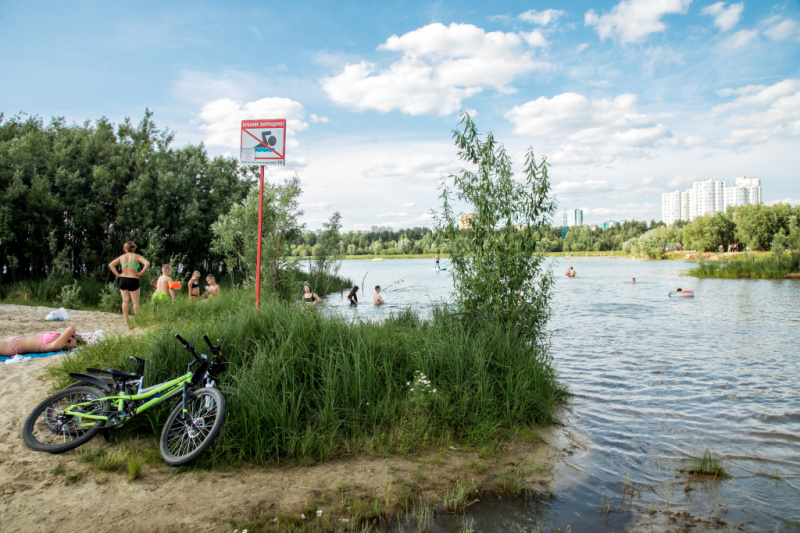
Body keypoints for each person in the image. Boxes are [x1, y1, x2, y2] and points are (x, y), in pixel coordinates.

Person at [109, 242, 150, 322]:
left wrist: (117, 274)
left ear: (125, 249)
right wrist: (141, 273)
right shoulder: (136, 256)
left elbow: (111, 265)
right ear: (133, 248)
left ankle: (126, 320)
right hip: (133, 279)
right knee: (135, 302)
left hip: (123, 279)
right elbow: (147, 263)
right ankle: (138, 319)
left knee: (125, 301)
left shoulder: (122, 257)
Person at [1, 326, 84, 357]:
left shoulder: (54, 345)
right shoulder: (58, 336)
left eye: (67, 346)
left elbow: (70, 328)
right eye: (68, 341)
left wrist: (69, 337)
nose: (66, 343)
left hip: (12, 347)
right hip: (13, 340)